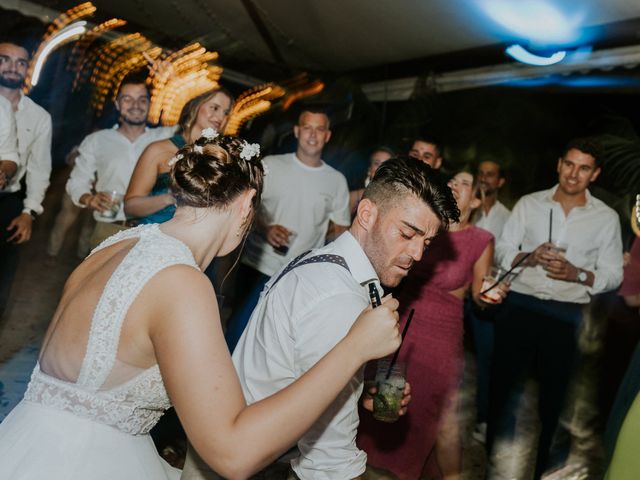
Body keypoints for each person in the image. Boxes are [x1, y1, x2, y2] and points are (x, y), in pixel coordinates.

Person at [0, 132, 403, 480]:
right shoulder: (182, 282)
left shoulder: (116, 246)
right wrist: (354, 348)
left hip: (28, 445)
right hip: (88, 463)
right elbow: (233, 454)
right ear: (247, 204)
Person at [200, 157, 459, 480]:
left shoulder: (328, 261)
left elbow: (301, 369)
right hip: (259, 466)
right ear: (367, 214)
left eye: (427, 242)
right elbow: (328, 462)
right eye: (408, 234)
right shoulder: (339, 298)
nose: (418, 254)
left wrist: (357, 389)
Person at [487, 138, 624, 480]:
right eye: (569, 164)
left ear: (595, 174)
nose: (573, 174)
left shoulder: (605, 218)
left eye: (584, 168)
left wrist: (576, 273)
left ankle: (542, 470)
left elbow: (612, 275)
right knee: (500, 389)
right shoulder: (530, 204)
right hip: (520, 305)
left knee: (554, 400)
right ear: (559, 164)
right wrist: (528, 256)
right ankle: (491, 460)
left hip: (565, 314)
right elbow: (503, 250)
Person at [358, 168, 504, 480]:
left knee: (437, 417)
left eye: (465, 184)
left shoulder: (481, 240)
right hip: (403, 322)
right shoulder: (426, 228)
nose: (455, 185)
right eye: (452, 180)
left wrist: (492, 293)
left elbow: (480, 295)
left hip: (442, 337)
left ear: (477, 200)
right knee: (384, 399)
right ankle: (360, 468)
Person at [224, 107, 352, 351]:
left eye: (320, 129)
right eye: (307, 127)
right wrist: (266, 228)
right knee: (238, 331)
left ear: (327, 136)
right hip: (257, 266)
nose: (312, 135)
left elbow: (340, 229)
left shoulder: (336, 180)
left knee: (274, 342)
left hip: (299, 274)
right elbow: (247, 207)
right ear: (296, 131)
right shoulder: (271, 165)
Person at [66, 72, 174, 249]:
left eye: (142, 99)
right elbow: (77, 181)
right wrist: (89, 199)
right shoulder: (98, 140)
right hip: (108, 229)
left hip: (150, 231)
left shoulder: (164, 137)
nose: (135, 105)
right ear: (117, 104)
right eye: (127, 99)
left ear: (149, 104)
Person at [124, 87, 233, 224]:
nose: (220, 117)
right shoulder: (158, 150)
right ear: (196, 106)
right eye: (215, 108)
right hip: (154, 233)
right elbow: (130, 207)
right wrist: (171, 198)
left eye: (226, 113)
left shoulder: (217, 160)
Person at [0, 38, 52, 314]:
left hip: (8, 203)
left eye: (20, 62)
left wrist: (29, 212)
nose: (12, 67)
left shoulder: (40, 117)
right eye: (4, 59)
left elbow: (39, 169)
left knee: (2, 280)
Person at [467, 158, 511, 442]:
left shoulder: (508, 216)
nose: (484, 179)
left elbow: (505, 256)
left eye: (490, 175)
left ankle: (483, 419)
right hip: (456, 288)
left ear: (500, 181)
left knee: (486, 358)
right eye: (481, 174)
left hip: (483, 294)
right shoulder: (465, 206)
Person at [349, 146, 394, 213]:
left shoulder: (396, 201)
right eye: (377, 163)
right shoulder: (353, 197)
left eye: (386, 164)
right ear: (369, 169)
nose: (381, 168)